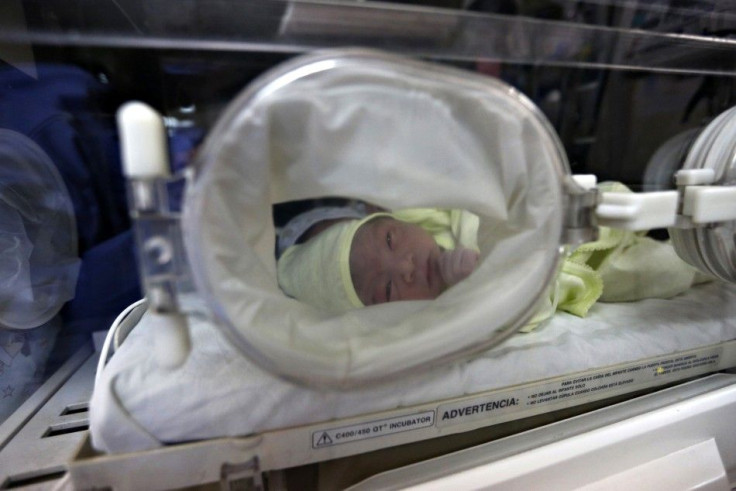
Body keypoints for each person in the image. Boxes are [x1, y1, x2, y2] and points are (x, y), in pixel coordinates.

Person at [277, 184, 711, 326]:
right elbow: (528, 308)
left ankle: (706, 213)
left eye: (391, 241)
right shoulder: (449, 315)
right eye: (387, 288)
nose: (407, 267)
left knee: (647, 203)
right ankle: (708, 260)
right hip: (583, 265)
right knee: (670, 268)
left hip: (573, 216)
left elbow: (481, 190)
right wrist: (482, 277)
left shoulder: (427, 210)